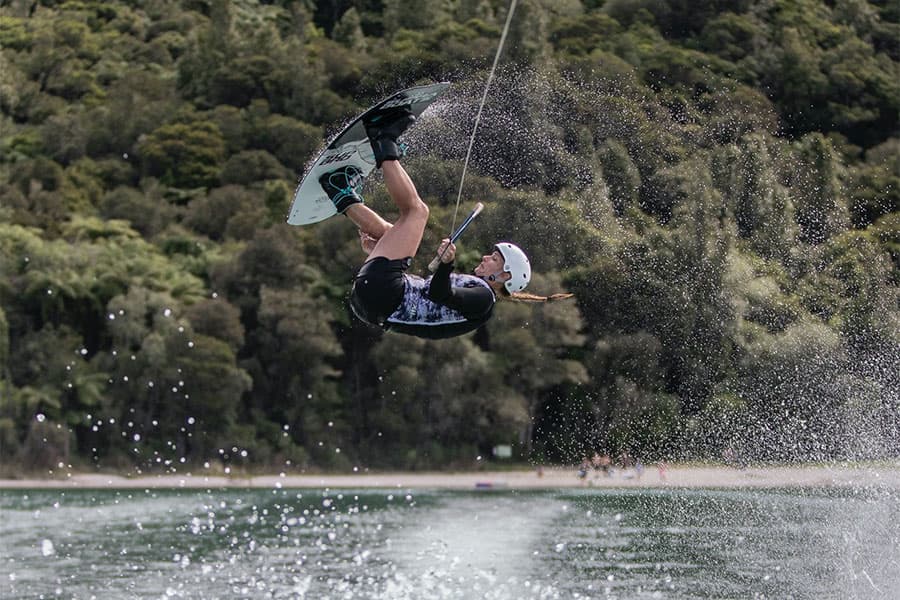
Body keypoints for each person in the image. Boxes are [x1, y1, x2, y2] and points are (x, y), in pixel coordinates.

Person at [318, 104, 572, 339]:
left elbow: (438, 293)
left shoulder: (483, 299)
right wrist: (379, 252)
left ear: (505, 275)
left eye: (494, 259)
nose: (485, 258)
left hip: (385, 296)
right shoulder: (478, 293)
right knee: (389, 233)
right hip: (374, 304)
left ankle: (382, 139)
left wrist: (447, 264)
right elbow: (427, 297)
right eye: (490, 255)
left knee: (417, 212)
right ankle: (339, 189)